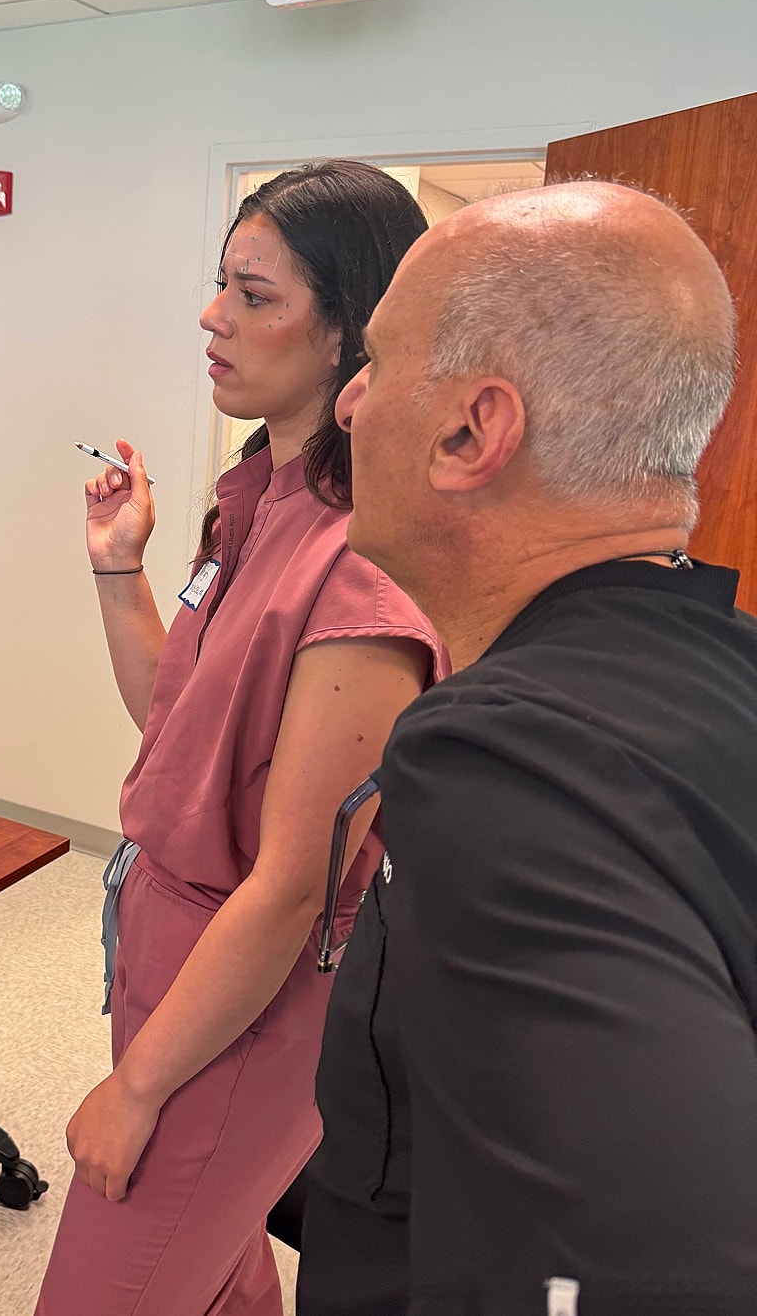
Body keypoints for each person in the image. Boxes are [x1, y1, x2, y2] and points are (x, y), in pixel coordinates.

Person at [301, 181, 757, 1315]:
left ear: (470, 430)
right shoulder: (725, 665)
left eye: (379, 360)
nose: (351, 403)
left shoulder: (509, 762)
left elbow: (634, 1274)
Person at [35, 161, 445, 1316]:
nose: (212, 317)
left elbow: (286, 885)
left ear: (347, 334)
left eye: (254, 295)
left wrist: (138, 1086)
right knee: (215, 1278)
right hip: (170, 943)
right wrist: (119, 566)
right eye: (219, 284)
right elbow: (180, 724)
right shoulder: (254, 493)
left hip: (247, 985)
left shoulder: (364, 556)